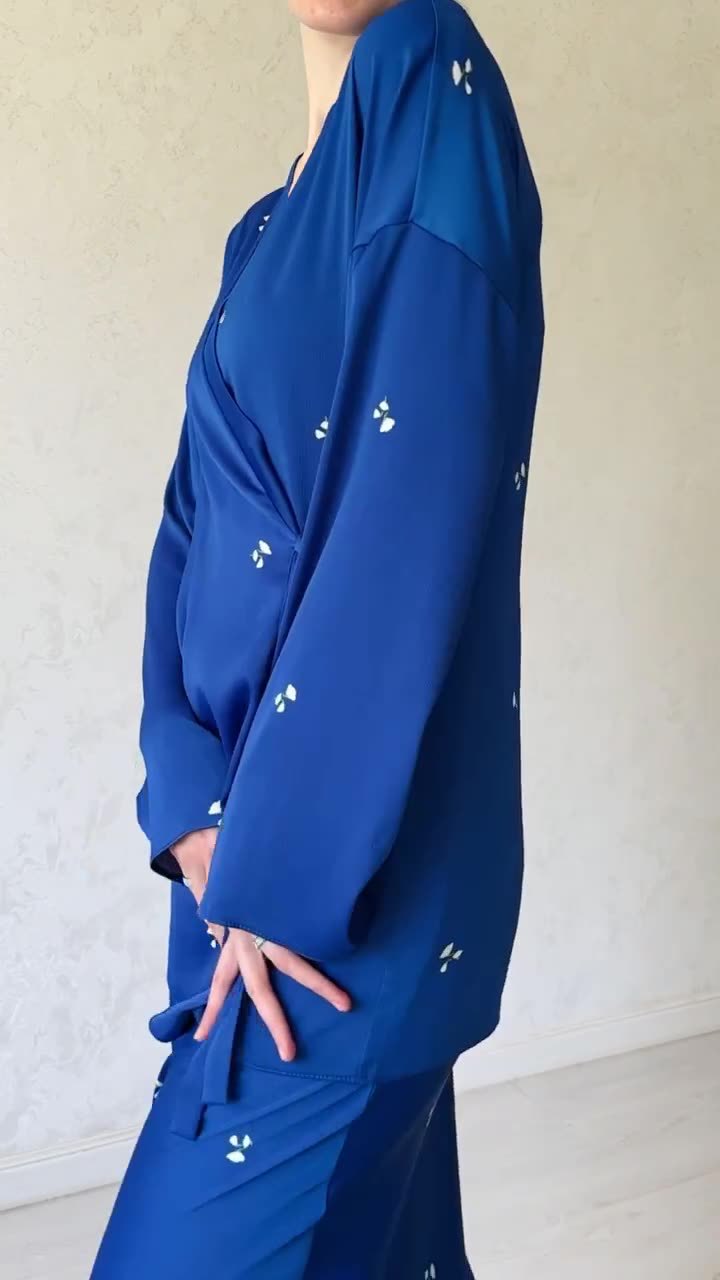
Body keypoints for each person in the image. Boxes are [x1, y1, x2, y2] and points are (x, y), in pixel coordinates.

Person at [90, 0, 544, 1274]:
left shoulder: (428, 76)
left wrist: (278, 873)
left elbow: (406, 526)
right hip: (241, 874)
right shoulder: (262, 232)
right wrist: (186, 797)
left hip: (331, 899)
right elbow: (186, 531)